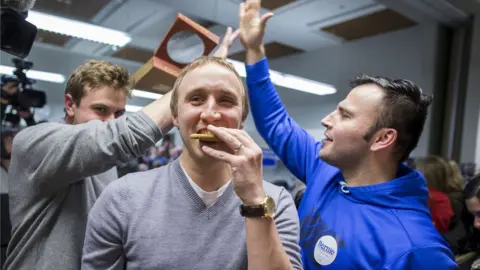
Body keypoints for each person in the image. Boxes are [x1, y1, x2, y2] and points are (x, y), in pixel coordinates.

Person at [238, 0, 458, 268]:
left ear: (382, 138)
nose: (326, 120)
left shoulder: (416, 247)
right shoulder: (326, 170)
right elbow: (276, 122)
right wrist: (254, 50)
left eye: (345, 114)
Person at [4, 28, 239, 270]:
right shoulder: (34, 142)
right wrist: (199, 78)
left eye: (119, 113)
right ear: (70, 105)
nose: (112, 121)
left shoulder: (105, 163)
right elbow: (121, 135)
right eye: (101, 110)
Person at [81, 55, 302, 270]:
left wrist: (254, 201)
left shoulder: (275, 202)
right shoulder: (121, 198)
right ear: (175, 116)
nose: (210, 114)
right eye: (196, 99)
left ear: (242, 119)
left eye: (226, 100)